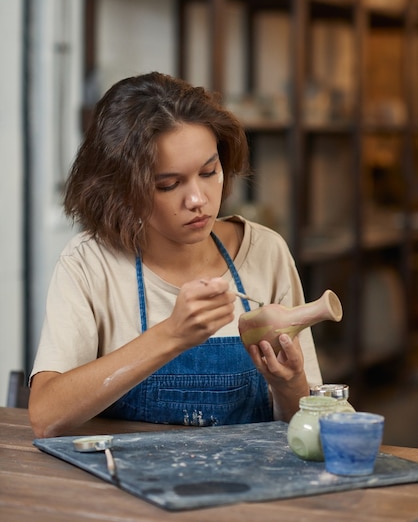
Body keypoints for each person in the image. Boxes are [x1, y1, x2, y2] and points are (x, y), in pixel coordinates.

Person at [29, 71, 322, 438]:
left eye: (209, 172)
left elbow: (309, 425)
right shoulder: (89, 264)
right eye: (168, 184)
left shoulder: (265, 252)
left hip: (248, 489)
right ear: (122, 189)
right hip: (125, 487)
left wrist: (290, 384)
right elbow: (46, 416)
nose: (198, 199)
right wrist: (172, 335)